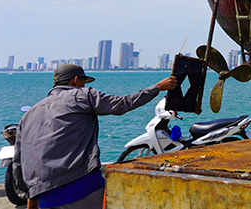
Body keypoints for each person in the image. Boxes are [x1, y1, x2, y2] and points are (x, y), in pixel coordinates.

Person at [13, 63, 178, 209]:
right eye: (83, 82)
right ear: (76, 80)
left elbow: (19, 160)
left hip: (44, 196)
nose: (84, 85)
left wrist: (31, 197)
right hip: (80, 186)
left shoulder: (28, 115)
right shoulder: (82, 95)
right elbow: (121, 105)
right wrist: (157, 87)